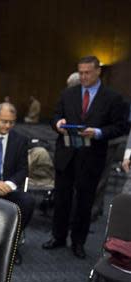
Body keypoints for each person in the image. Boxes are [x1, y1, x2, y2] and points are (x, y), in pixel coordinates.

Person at [42, 56, 128, 259]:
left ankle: (78, 242)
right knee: (62, 198)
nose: (83, 76)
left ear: (98, 71)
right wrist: (58, 124)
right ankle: (58, 236)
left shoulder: (112, 98)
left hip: (92, 157)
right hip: (67, 154)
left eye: (87, 72)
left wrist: (98, 132)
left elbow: (121, 126)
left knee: (84, 202)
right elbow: (54, 117)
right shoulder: (68, 93)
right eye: (80, 72)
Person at [0, 102, 35, 265]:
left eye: (11, 122)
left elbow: (23, 170)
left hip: (8, 188)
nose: (8, 126)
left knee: (28, 202)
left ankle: (12, 245)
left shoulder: (20, 140)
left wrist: (9, 184)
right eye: (4, 121)